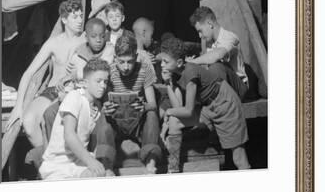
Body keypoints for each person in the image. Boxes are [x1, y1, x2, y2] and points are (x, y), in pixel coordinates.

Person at [160, 36, 250, 170]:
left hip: (225, 105)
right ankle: (173, 168)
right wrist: (168, 83)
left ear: (179, 62)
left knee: (239, 158)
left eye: (165, 62)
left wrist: (168, 111)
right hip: (208, 107)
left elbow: (188, 110)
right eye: (161, 61)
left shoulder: (190, 73)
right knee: (175, 121)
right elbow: (178, 108)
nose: (161, 65)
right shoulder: (175, 73)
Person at [5, 0, 85, 148]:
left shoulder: (86, 39)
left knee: (56, 121)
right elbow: (28, 73)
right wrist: (18, 106)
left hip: (75, 91)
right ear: (64, 19)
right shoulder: (54, 43)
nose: (80, 20)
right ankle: (46, 159)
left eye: (81, 16)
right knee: (28, 122)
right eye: (75, 17)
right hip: (52, 91)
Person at [39, 58, 113, 181]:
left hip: (78, 163)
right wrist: (91, 162)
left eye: (105, 82)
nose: (103, 86)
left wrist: (97, 163)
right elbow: (69, 135)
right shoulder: (74, 97)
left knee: (108, 175)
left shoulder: (96, 108)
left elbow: (91, 142)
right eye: (98, 81)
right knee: (98, 176)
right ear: (85, 83)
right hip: (58, 164)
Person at [103, 31, 162, 174]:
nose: (125, 67)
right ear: (115, 58)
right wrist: (106, 107)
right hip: (118, 122)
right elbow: (104, 101)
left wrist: (144, 106)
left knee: (152, 114)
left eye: (129, 62)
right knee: (103, 118)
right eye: (121, 62)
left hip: (137, 122)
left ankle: (150, 162)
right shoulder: (110, 71)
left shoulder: (144, 69)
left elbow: (153, 103)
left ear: (136, 57)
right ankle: (107, 166)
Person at [188, 6, 248, 99]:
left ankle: (221, 103)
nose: (200, 36)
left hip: (238, 88)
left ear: (210, 24)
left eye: (200, 31)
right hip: (220, 85)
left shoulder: (229, 37)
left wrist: (193, 62)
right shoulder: (208, 42)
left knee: (216, 66)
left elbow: (218, 55)